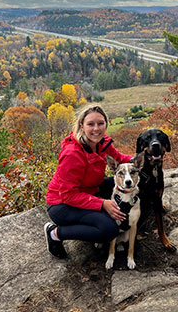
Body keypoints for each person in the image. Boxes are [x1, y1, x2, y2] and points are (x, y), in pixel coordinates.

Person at [44, 105, 132, 259]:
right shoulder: (72, 154)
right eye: (90, 124)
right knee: (108, 229)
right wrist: (102, 204)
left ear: (106, 124)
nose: (96, 129)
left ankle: (130, 225)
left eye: (100, 123)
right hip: (62, 205)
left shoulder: (103, 143)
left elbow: (120, 159)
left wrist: (143, 159)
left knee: (129, 183)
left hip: (90, 190)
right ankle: (55, 233)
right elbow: (68, 195)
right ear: (81, 126)